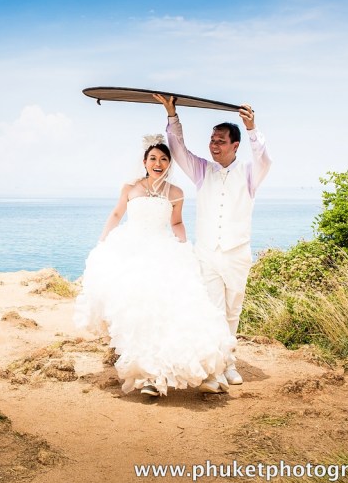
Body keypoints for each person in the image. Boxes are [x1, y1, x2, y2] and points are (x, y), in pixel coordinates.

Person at [73, 136, 236, 397]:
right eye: (153, 158)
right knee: (138, 313)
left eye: (163, 159)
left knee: (171, 309)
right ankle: (148, 376)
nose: (158, 163)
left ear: (169, 163)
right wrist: (102, 241)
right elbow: (117, 214)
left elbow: (176, 223)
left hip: (163, 251)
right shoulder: (130, 188)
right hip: (131, 251)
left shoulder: (176, 193)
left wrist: (184, 247)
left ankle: (181, 370)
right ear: (144, 162)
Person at [153, 94, 272, 386]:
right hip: (207, 253)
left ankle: (228, 361)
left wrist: (252, 128)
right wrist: (172, 115)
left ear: (235, 145)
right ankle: (216, 369)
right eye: (212, 140)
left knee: (233, 312)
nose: (214, 145)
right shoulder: (202, 170)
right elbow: (178, 150)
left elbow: (264, 159)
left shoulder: (249, 172)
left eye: (220, 141)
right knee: (214, 312)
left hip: (237, 254)